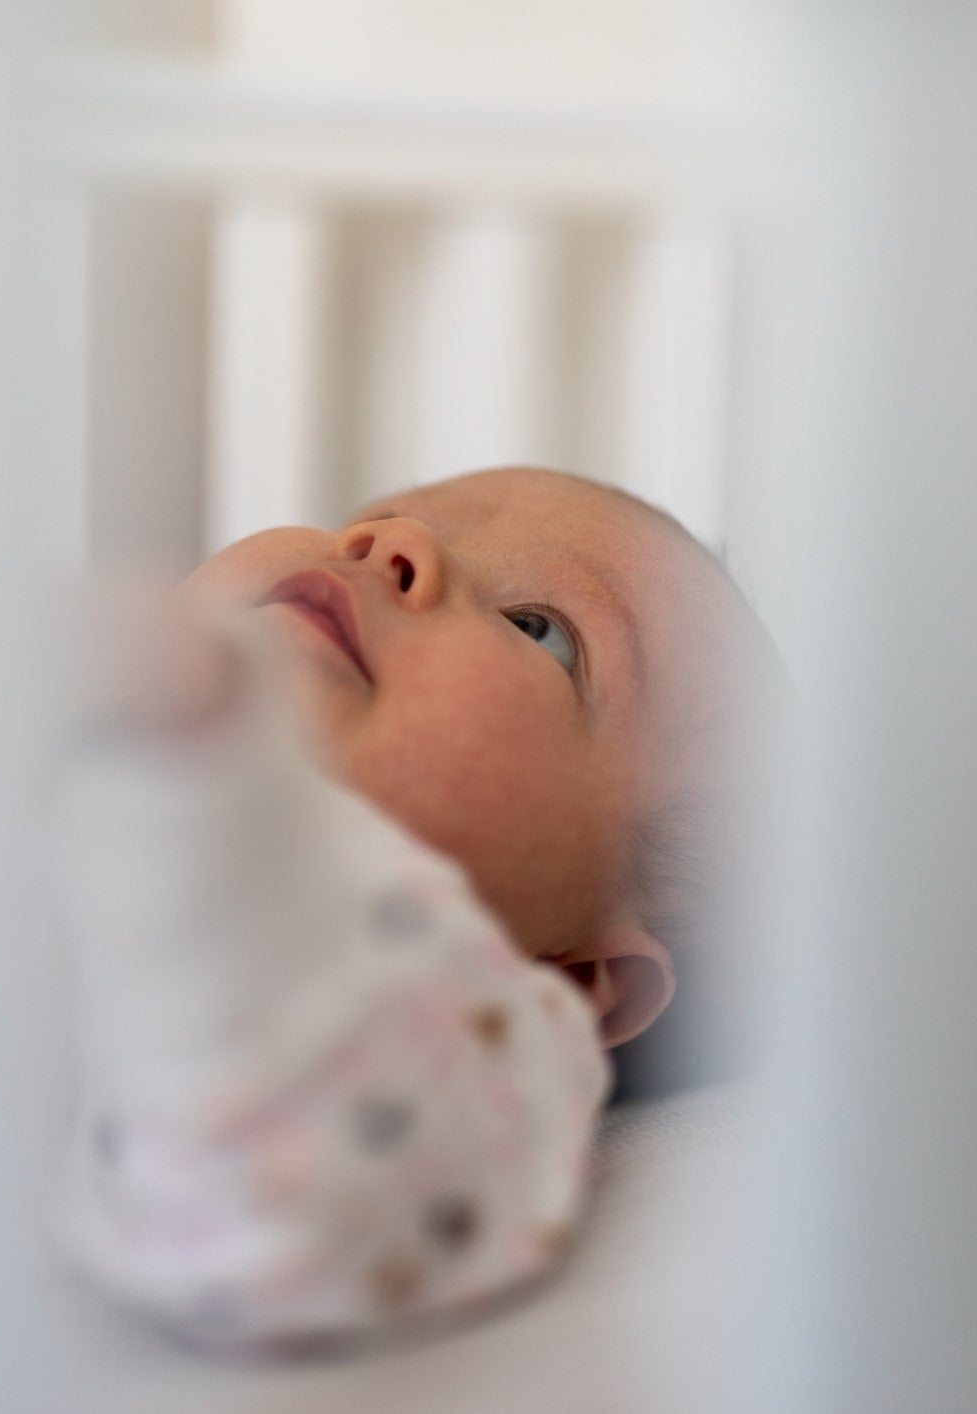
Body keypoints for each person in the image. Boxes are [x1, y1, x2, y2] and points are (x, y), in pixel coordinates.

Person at [55, 466, 777, 1349]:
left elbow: (285, 1200)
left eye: (539, 630)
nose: (398, 546)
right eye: (378, 519)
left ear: (582, 984)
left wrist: (204, 762)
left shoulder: (486, 1064)